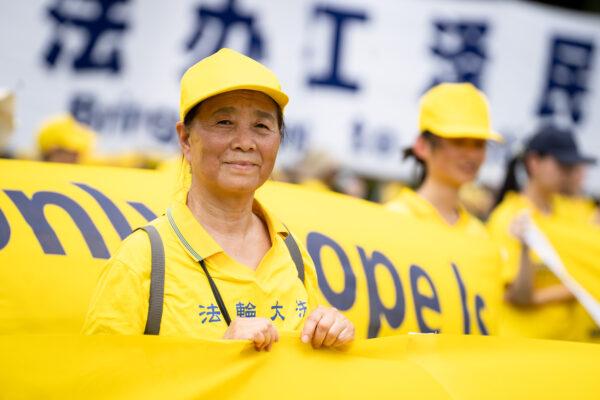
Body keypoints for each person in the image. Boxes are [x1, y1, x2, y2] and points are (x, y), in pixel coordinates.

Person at [82, 48, 354, 351]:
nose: (245, 143)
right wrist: (214, 361)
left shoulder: (292, 255)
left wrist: (332, 335)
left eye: (262, 126)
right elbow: (99, 383)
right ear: (185, 138)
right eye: (224, 122)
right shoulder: (142, 260)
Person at [385, 82, 504, 334]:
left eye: (479, 144)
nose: (471, 155)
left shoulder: (480, 235)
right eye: (459, 142)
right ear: (422, 146)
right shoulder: (393, 219)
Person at [488, 126, 597, 340]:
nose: (570, 173)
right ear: (534, 163)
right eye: (563, 165)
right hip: (528, 352)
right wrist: (578, 288)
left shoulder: (572, 210)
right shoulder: (509, 218)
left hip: (573, 351)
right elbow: (517, 296)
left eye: (573, 166)